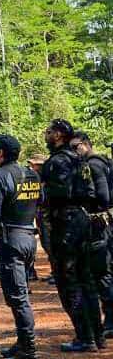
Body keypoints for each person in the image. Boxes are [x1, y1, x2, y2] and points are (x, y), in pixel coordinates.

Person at [0, 135, 41, 359]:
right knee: (19, 293)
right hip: (28, 237)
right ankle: (21, 343)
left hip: (11, 240)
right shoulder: (32, 175)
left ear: (1, 153)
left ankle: (30, 352)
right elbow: (40, 201)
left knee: (18, 298)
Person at [41, 119, 98, 352]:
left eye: (51, 131)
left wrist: (45, 198)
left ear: (61, 135)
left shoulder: (58, 162)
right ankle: (95, 336)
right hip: (81, 220)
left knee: (68, 282)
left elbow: (60, 192)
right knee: (86, 279)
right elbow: (90, 192)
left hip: (66, 223)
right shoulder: (79, 160)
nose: (47, 135)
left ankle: (85, 337)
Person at [70, 131, 113, 344]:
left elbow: (104, 197)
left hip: (99, 226)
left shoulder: (93, 165)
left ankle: (110, 320)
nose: (74, 150)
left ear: (86, 144)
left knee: (101, 273)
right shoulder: (101, 162)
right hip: (102, 224)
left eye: (76, 146)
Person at [27, 154, 50, 283]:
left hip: (48, 215)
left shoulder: (49, 179)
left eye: (34, 164)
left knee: (48, 243)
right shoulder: (36, 178)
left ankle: (56, 271)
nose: (32, 167)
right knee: (44, 241)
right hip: (39, 214)